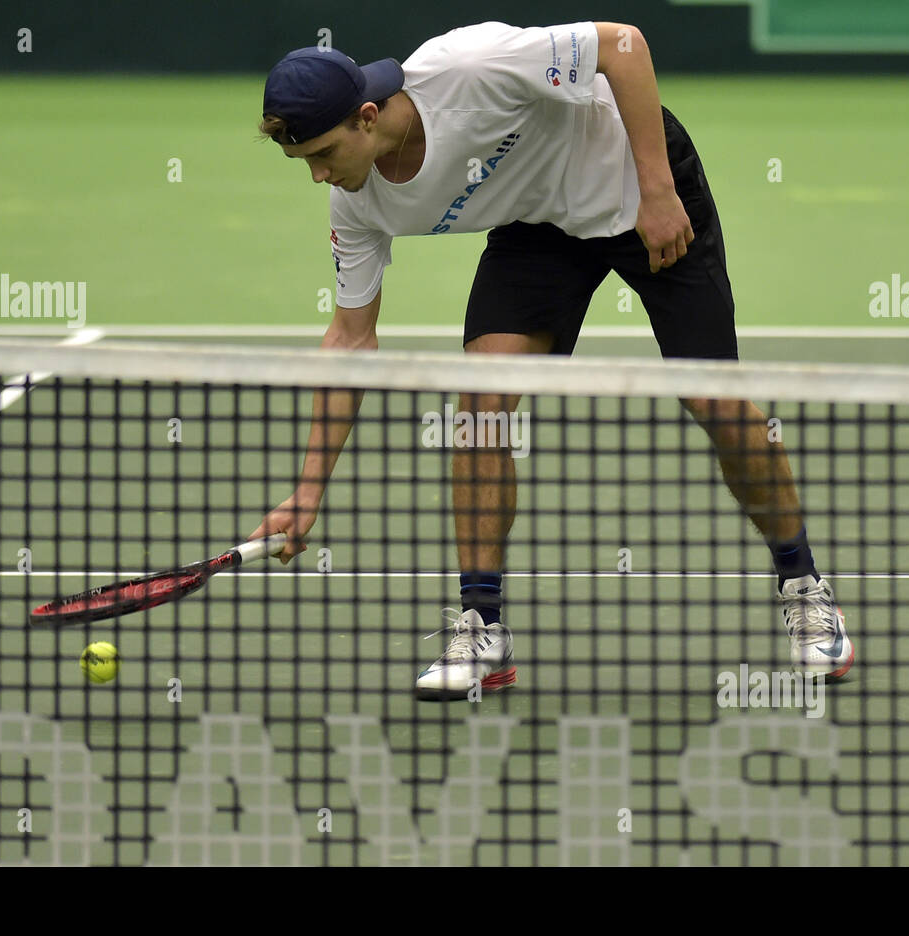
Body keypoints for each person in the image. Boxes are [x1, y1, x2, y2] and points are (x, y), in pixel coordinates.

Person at [252, 21, 854, 699]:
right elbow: (350, 340)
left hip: (633, 184)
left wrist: (658, 192)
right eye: (303, 161)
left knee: (713, 399)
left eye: (325, 153)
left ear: (367, 117)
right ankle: (482, 624)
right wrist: (308, 492)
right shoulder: (355, 202)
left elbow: (623, 46)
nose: (319, 175)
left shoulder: (470, 67)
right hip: (539, 224)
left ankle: (803, 584)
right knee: (480, 407)